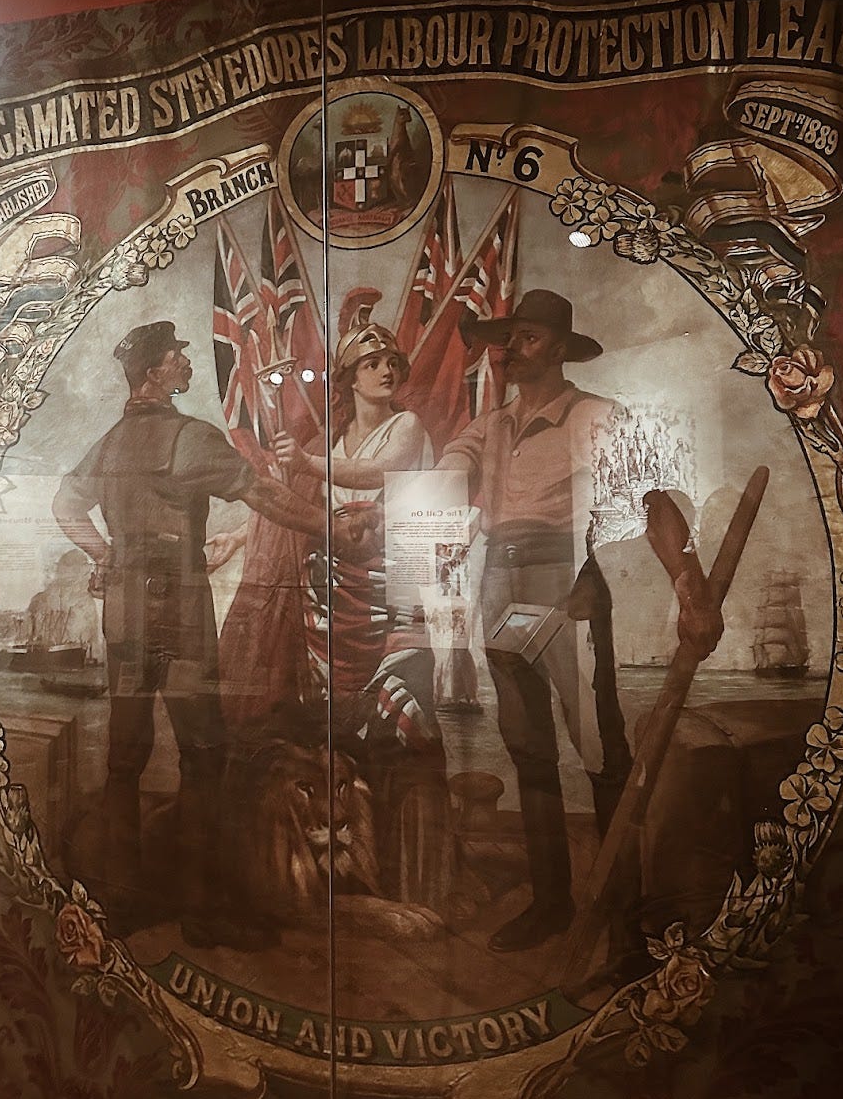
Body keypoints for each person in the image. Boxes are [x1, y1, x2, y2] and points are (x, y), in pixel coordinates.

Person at [52, 319, 366, 943]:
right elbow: (268, 498)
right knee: (203, 751)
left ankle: (121, 900)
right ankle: (202, 908)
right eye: (177, 357)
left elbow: (66, 506)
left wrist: (105, 555)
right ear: (154, 373)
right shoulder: (189, 438)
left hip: (125, 609)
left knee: (124, 754)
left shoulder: (110, 443)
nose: (186, 363)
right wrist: (330, 524)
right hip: (179, 603)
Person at [436, 289, 634, 953]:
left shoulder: (597, 415)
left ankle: (624, 914)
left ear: (553, 344)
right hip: (500, 581)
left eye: (523, 338)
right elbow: (444, 475)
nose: (509, 351)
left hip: (567, 580)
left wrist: (686, 581)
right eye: (508, 339)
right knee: (528, 749)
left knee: (600, 751)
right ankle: (552, 904)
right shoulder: (489, 426)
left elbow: (651, 496)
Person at [272, 292, 454, 913]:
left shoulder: (406, 429)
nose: (386, 371)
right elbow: (303, 509)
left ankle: (418, 879)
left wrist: (306, 461)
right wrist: (240, 531)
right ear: (348, 378)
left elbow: (372, 476)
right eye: (371, 363)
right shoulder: (330, 437)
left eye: (391, 363)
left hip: (396, 593)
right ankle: (348, 877)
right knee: (337, 735)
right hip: (329, 603)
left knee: (401, 726)